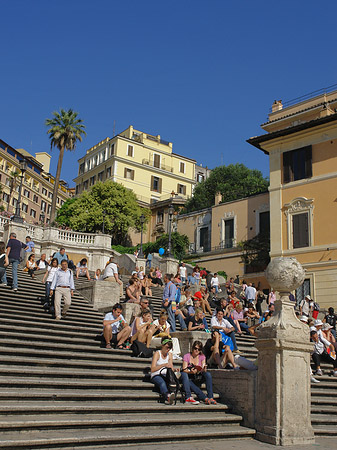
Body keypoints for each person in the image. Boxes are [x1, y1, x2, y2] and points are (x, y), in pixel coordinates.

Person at [150, 338, 178, 405]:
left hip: (165, 374)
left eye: (170, 348)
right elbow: (152, 369)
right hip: (156, 374)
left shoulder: (170, 355)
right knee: (162, 382)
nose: (168, 350)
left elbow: (171, 366)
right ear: (163, 345)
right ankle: (167, 396)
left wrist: (174, 369)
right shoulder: (157, 353)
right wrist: (163, 365)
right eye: (167, 347)